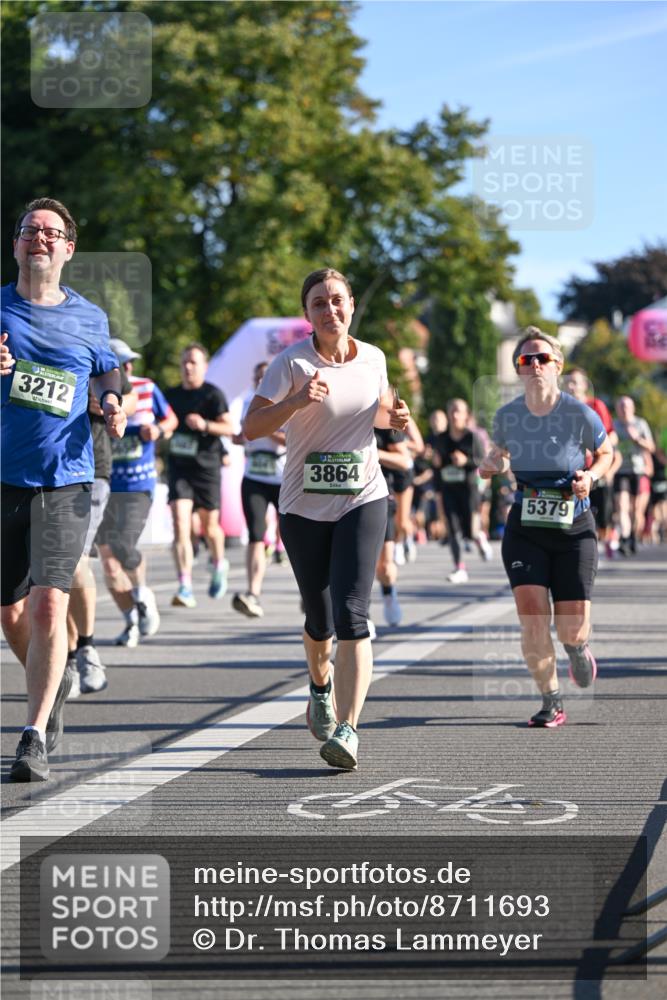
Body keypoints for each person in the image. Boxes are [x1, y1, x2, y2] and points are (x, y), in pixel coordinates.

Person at [243, 268, 410, 770]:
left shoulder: (375, 358)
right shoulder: (290, 362)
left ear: (352, 305)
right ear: (308, 313)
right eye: (319, 303)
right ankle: (320, 684)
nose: (330, 309)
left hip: (363, 497)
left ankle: (349, 728)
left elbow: (374, 412)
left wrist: (395, 420)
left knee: (352, 615)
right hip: (302, 507)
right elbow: (251, 427)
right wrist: (296, 400)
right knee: (319, 621)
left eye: (337, 300)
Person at [1, 197, 125, 781]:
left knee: (52, 600)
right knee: (10, 611)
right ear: (17, 244)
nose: (40, 240)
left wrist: (113, 401)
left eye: (52, 233)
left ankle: (34, 732)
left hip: (68, 477)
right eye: (30, 231)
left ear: (68, 249)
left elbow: (107, 369)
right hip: (4, 476)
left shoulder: (90, 317)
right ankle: (54, 682)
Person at [479, 327, 613, 728]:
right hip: (526, 525)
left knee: (570, 628)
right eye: (526, 360)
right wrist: (492, 465)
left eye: (542, 358)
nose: (534, 365)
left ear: (558, 365)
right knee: (533, 616)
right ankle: (550, 699)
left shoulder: (579, 413)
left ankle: (576, 648)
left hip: (574, 526)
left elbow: (605, 453)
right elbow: (498, 455)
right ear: (518, 370)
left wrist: (591, 476)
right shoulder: (507, 415)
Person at [97, 338, 178, 647]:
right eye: (122, 364)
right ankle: (131, 616)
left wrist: (158, 430)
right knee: (107, 561)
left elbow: (170, 418)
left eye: (131, 363)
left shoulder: (146, 387)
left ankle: (143, 590)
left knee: (122, 543)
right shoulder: (97, 393)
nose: (129, 368)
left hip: (138, 485)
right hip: (105, 485)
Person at [64, 371, 137, 698]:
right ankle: (65, 657)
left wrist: (114, 404)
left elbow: (129, 396)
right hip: (35, 469)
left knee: (73, 560)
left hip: (89, 468)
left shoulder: (91, 340)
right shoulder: (21, 334)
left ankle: (86, 649)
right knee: (47, 577)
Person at [165, 344, 234, 607]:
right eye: (184, 362)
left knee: (210, 527)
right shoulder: (171, 395)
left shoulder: (212, 395)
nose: (188, 367)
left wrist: (205, 424)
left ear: (204, 366)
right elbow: (161, 421)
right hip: (179, 466)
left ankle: (218, 563)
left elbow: (229, 427)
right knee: (180, 523)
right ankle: (185, 585)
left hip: (206, 467)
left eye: (193, 362)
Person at [231, 360, 287, 618]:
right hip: (254, 475)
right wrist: (243, 435)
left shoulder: (287, 404)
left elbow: (291, 439)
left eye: (265, 376)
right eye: (257, 377)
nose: (260, 381)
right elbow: (242, 435)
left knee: (292, 534)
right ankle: (253, 593)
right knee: (255, 534)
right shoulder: (246, 403)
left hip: (283, 477)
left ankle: (309, 594)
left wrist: (266, 427)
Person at [432, 398, 492, 583]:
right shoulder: (441, 439)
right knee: (453, 530)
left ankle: (479, 537)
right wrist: (436, 464)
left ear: (466, 415)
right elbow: (437, 466)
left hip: (469, 489)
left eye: (459, 411)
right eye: (452, 411)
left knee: (471, 531)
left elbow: (484, 461)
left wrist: (466, 461)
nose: (455, 415)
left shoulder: (472, 437)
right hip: (449, 490)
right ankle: (459, 567)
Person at [563, 368, 618, 558]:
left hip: (594, 466)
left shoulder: (595, 406)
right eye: (568, 381)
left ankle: (607, 538)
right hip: (571, 468)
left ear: (585, 385)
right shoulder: (559, 408)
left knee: (601, 510)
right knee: (576, 511)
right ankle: (582, 547)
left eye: (576, 382)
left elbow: (611, 436)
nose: (571, 386)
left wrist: (593, 447)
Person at [612, 395, 655, 555]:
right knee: (623, 506)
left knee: (636, 509)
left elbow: (651, 447)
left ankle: (633, 537)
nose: (624, 409)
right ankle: (624, 537)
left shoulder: (640, 423)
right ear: (617, 409)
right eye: (621, 406)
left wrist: (637, 438)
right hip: (620, 470)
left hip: (637, 470)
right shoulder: (614, 425)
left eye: (627, 406)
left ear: (632, 408)